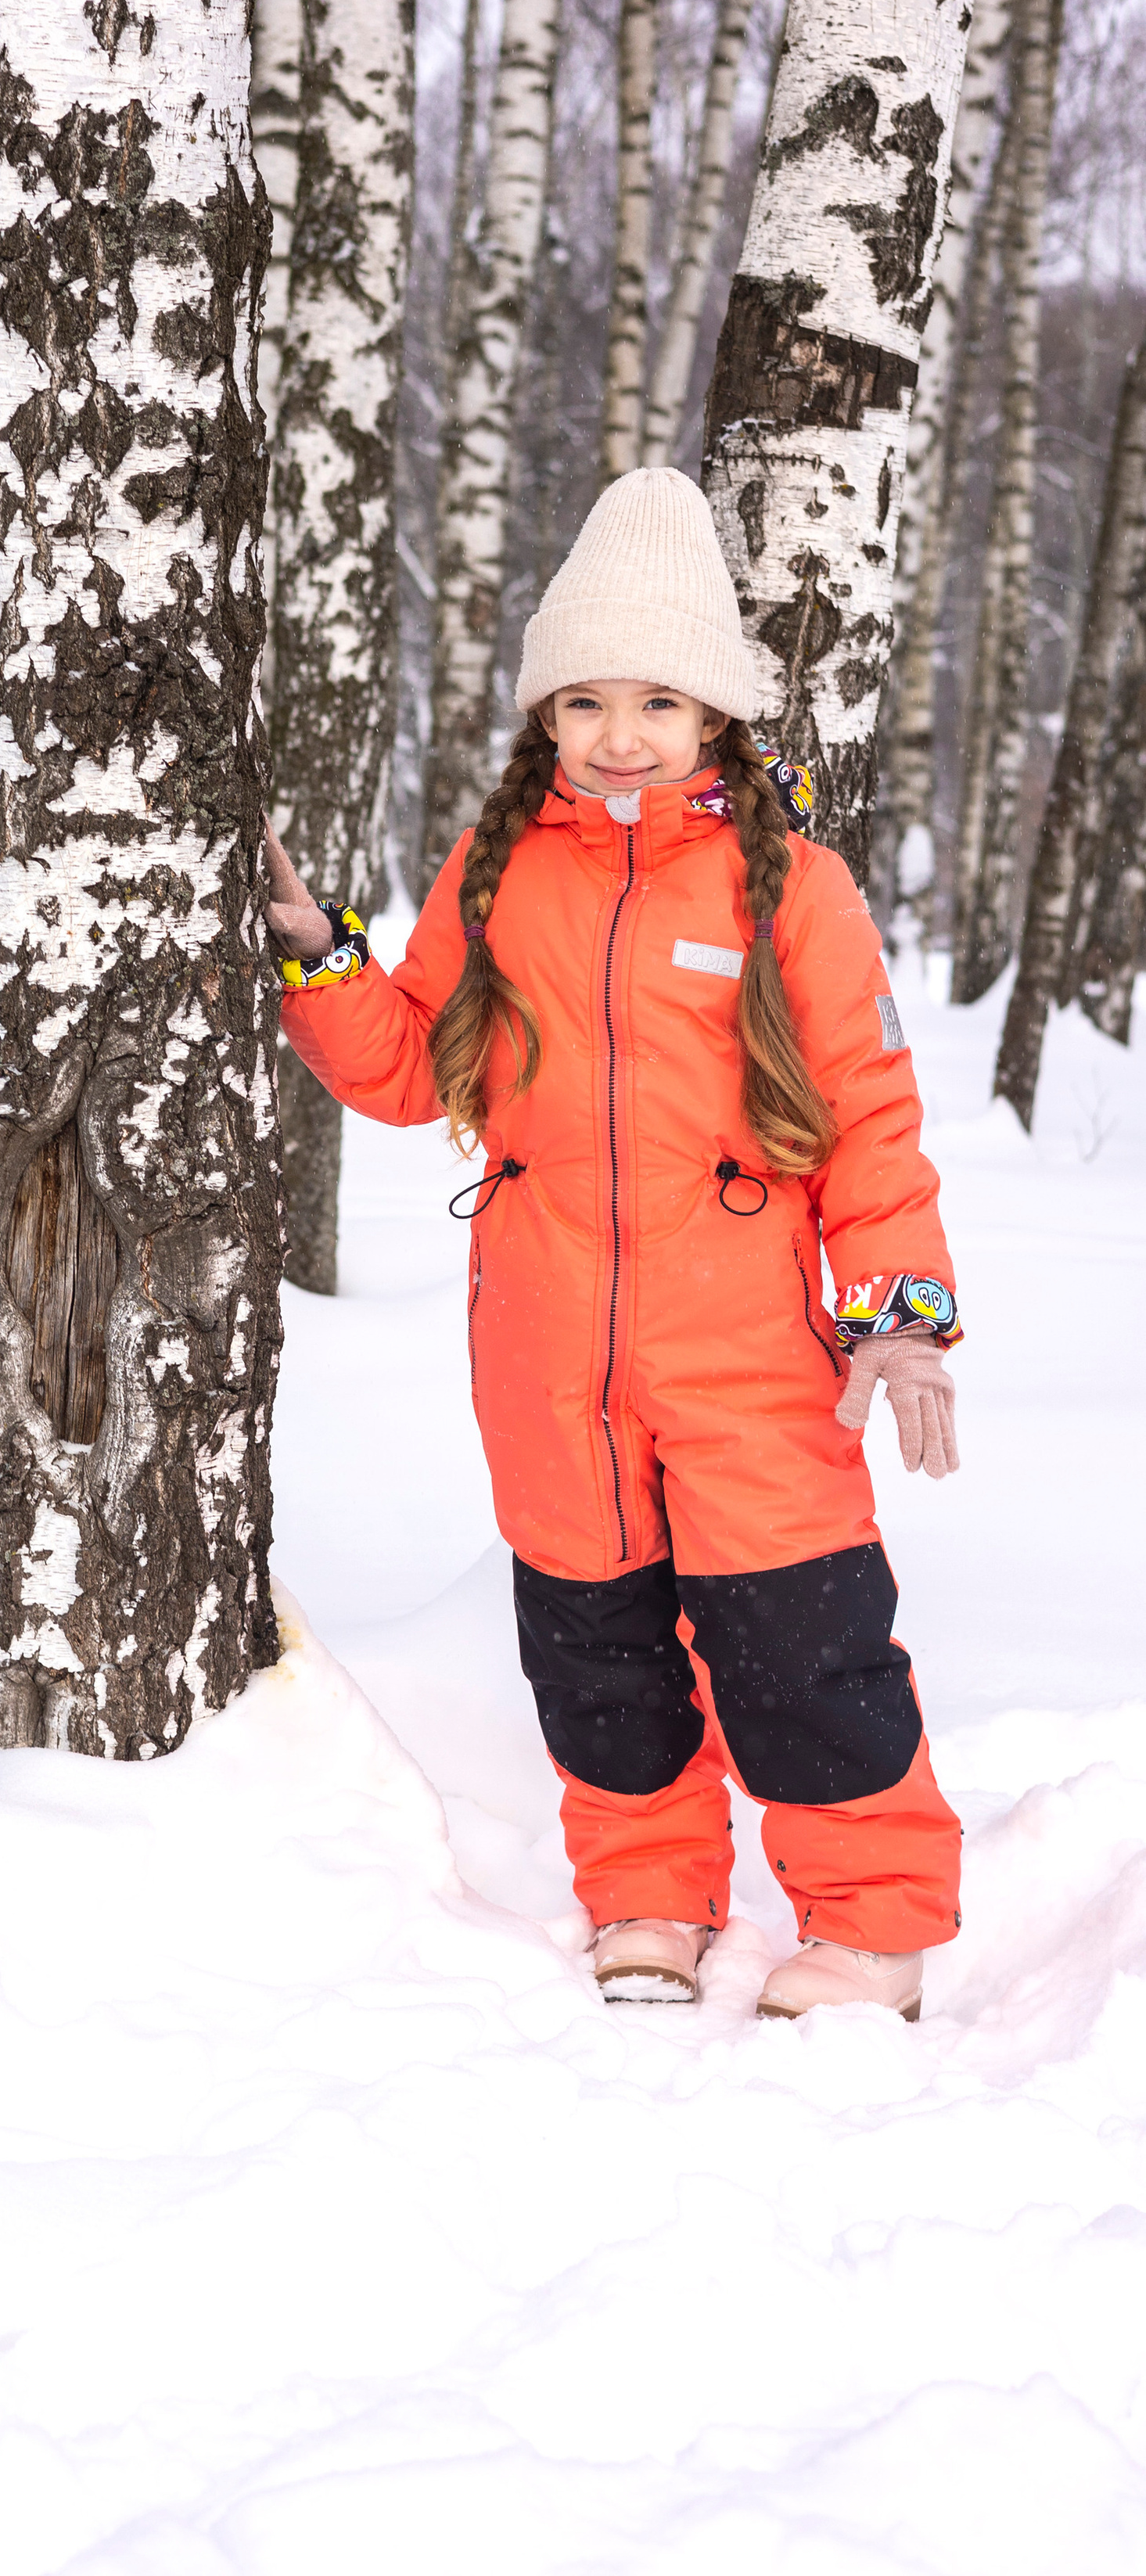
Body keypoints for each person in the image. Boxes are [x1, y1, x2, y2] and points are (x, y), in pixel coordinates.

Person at [265, 466, 963, 2021]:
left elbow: (867, 1112)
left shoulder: (797, 892)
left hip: (756, 1351)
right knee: (595, 1644)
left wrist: (899, 1306)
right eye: (584, 700)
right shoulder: (497, 874)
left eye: (656, 697)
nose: (620, 734)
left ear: (713, 712)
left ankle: (872, 1924)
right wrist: (320, 960)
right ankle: (645, 1892)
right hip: (544, 1342)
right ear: (545, 718)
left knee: (797, 1642)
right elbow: (406, 1068)